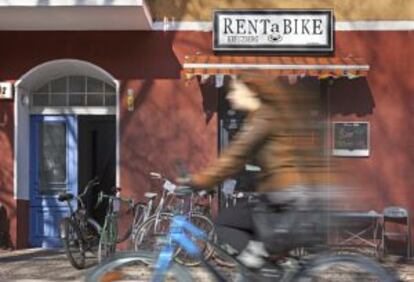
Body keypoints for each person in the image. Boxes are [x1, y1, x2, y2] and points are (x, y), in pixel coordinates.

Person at [178, 73, 328, 269]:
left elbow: (234, 157)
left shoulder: (262, 120)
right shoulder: (262, 117)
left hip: (284, 196)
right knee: (236, 223)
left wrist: (198, 181)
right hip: (280, 194)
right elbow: (240, 161)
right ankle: (264, 265)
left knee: (225, 222)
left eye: (234, 91)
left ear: (252, 92)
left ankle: (262, 266)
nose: (229, 97)